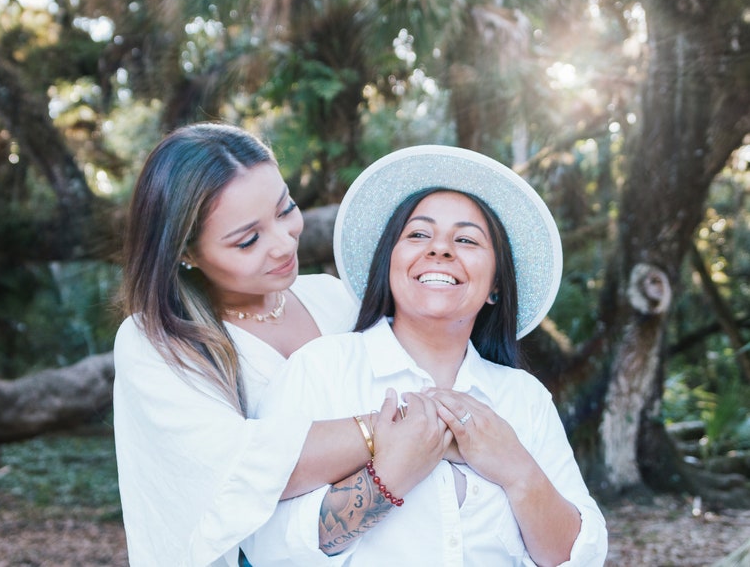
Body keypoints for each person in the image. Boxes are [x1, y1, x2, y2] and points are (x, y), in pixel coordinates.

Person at [245, 145, 609, 566]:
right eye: (418, 234)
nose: (440, 249)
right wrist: (388, 478)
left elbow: (580, 557)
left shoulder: (524, 399)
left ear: (495, 286)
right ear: (389, 264)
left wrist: (516, 469)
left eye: (467, 239)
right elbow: (263, 544)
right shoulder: (320, 369)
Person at [112, 123, 447, 566]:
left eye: (285, 208)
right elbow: (238, 467)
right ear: (185, 253)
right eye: (248, 240)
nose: (283, 242)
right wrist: (400, 429)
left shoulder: (335, 298)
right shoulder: (156, 340)